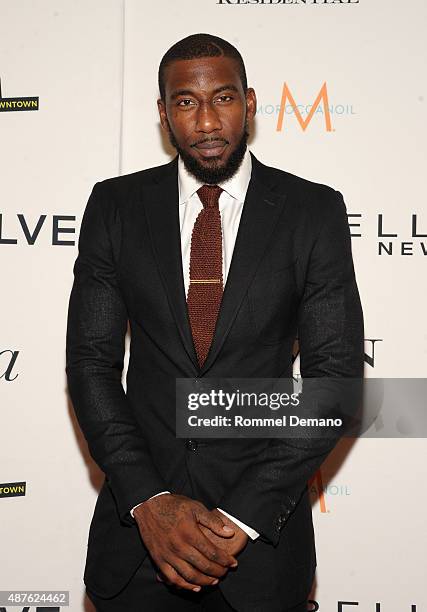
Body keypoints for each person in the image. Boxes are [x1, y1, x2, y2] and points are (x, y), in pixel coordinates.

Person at [65, 33, 364, 612]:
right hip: (137, 544)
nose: (206, 121)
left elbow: (335, 380)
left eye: (223, 98)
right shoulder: (116, 206)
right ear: (162, 113)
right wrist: (149, 500)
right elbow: (90, 364)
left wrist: (239, 517)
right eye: (185, 102)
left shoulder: (312, 211)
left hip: (261, 547)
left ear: (250, 104)